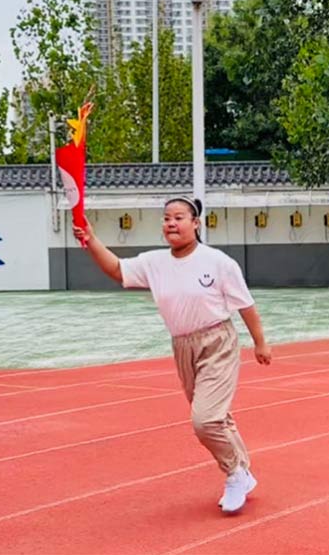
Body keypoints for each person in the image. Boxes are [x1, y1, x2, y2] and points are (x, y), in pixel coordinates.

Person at [72, 197, 272, 514]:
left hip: (217, 341)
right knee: (217, 418)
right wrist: (91, 240)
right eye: (166, 218)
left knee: (205, 420)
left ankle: (235, 474)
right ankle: (242, 470)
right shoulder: (155, 263)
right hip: (182, 346)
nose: (171, 223)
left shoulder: (218, 262)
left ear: (196, 223)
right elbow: (117, 269)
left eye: (179, 217)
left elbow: (245, 304)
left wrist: (260, 342)